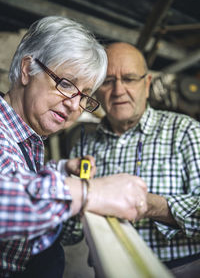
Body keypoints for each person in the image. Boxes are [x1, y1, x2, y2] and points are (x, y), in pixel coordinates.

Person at [0, 21, 148, 278]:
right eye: (67, 84)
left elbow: (10, 173)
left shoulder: (26, 138)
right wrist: (90, 192)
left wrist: (59, 168)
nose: (74, 106)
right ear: (26, 70)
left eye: (84, 96)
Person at [70, 42, 200, 269]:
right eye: (109, 81)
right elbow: (72, 234)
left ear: (147, 84)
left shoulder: (186, 132)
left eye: (129, 79)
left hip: (179, 268)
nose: (118, 90)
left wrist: (150, 205)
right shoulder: (84, 146)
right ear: (98, 89)